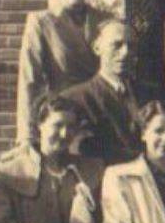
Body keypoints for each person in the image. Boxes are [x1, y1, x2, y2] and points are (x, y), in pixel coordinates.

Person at [15, 0, 112, 150]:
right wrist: (26, 136)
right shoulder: (42, 22)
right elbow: (29, 81)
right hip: (64, 120)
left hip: (102, 117)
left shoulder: (106, 20)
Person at [88, 0, 165, 103]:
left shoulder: (147, 4)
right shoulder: (87, 6)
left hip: (142, 92)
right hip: (98, 95)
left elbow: (157, 51)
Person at [60, 20, 144, 168]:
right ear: (97, 48)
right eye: (116, 45)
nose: (125, 53)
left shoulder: (149, 95)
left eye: (131, 46)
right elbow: (85, 150)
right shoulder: (75, 99)